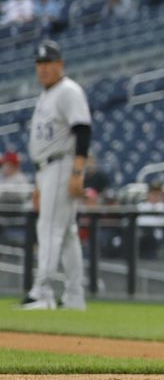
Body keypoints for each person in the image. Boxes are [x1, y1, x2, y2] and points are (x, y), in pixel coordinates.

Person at [19, 41, 92, 311]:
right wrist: (39, 181)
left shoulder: (68, 91)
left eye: (48, 62)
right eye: (39, 64)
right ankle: (74, 296)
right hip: (47, 168)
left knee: (49, 229)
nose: (43, 68)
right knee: (68, 234)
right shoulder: (46, 95)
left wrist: (77, 172)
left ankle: (42, 292)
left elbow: (83, 130)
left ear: (60, 64)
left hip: (62, 164)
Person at [135, 181, 164, 259]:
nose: (155, 196)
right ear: (148, 194)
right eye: (153, 194)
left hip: (158, 234)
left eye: (158, 194)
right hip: (141, 233)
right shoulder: (141, 206)